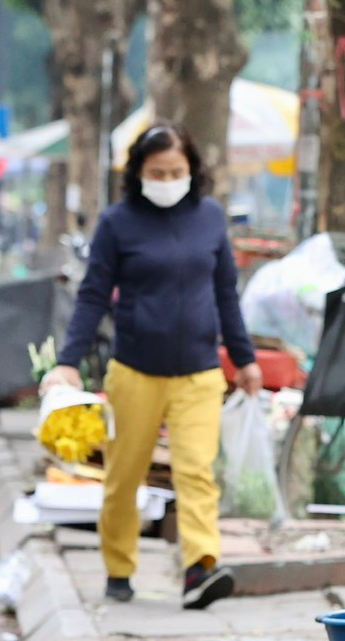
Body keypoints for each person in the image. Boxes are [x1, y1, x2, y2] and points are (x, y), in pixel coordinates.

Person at [40, 123, 263, 611]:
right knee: (124, 475)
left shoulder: (209, 218)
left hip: (199, 373)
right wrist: (68, 363)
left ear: (192, 171)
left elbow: (226, 293)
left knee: (197, 472)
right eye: (157, 171)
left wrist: (244, 359)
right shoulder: (118, 223)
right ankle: (119, 568)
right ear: (138, 173)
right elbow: (93, 295)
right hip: (135, 371)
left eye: (176, 171)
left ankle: (199, 568)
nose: (166, 179)